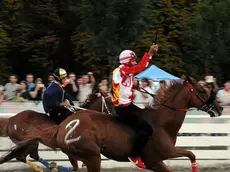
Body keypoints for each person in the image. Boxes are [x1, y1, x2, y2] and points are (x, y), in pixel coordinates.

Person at [112, 43, 158, 169]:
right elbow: (140, 67)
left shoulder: (123, 72)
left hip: (127, 105)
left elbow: (123, 85)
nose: (135, 61)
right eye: (133, 59)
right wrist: (150, 54)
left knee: (146, 117)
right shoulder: (123, 69)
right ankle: (134, 155)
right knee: (147, 129)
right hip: (124, 108)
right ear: (127, 60)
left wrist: (134, 86)